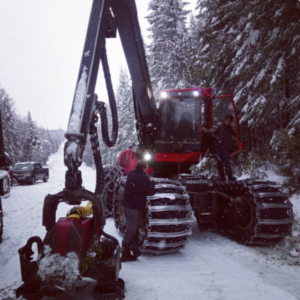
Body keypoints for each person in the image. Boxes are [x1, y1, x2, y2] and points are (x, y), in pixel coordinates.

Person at [121, 160, 155, 262]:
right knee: (131, 230)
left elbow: (141, 179)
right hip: (134, 208)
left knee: (132, 227)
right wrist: (152, 182)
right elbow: (151, 192)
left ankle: (134, 248)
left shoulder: (131, 173)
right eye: (147, 167)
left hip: (126, 206)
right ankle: (124, 253)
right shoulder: (143, 178)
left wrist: (147, 178)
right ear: (144, 168)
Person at [202, 115, 237, 181]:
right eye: (227, 120)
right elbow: (212, 130)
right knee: (219, 162)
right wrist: (207, 131)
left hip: (226, 148)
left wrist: (233, 128)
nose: (227, 122)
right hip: (218, 147)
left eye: (229, 121)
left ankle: (230, 177)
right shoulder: (219, 125)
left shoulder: (230, 128)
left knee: (227, 163)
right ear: (224, 120)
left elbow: (235, 133)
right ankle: (222, 177)